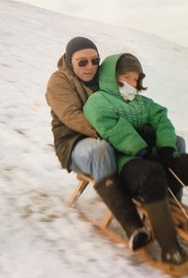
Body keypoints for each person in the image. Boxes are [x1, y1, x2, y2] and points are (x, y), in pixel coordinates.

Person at [83, 53, 188, 269]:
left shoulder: (143, 102)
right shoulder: (97, 102)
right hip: (126, 164)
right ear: (112, 77)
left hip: (156, 158)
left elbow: (162, 119)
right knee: (152, 173)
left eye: (135, 78)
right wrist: (142, 152)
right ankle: (171, 251)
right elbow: (114, 131)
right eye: (126, 77)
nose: (132, 83)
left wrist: (167, 147)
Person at [45, 37, 152, 251]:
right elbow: (71, 115)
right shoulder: (59, 81)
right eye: (82, 62)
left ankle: (167, 205)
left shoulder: (103, 75)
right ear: (69, 60)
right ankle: (133, 225)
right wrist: (115, 134)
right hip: (74, 142)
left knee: (168, 141)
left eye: (95, 61)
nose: (90, 67)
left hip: (112, 135)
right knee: (100, 150)